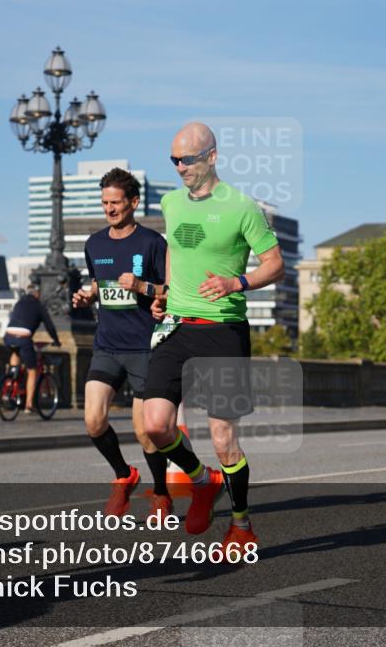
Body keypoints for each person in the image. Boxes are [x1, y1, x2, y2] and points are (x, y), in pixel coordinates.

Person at [143, 122, 284, 554]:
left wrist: (235, 282)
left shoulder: (242, 207)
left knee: (223, 437)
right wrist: (165, 293)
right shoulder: (170, 202)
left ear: (212, 157)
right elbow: (173, 252)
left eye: (187, 159)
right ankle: (203, 483)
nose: (179, 167)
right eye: (174, 160)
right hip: (178, 326)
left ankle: (241, 525)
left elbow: (275, 264)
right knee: (156, 426)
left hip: (223, 329)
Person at [71, 167, 172, 518]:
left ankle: (161, 492)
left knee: (146, 433)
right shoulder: (94, 244)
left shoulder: (152, 243)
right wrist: (87, 295)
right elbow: (100, 283)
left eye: (115, 202)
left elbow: (172, 291)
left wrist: (144, 287)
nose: (110, 209)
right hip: (107, 345)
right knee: (93, 421)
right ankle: (123, 475)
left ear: (133, 202)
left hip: (145, 347)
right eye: (104, 203)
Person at [2, 284, 60, 411]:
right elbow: (49, 326)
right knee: (32, 371)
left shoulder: (19, 303)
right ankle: (28, 404)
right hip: (23, 337)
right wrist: (56, 340)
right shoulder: (38, 306)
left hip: (9, 334)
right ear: (37, 293)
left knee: (15, 354)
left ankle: (10, 381)